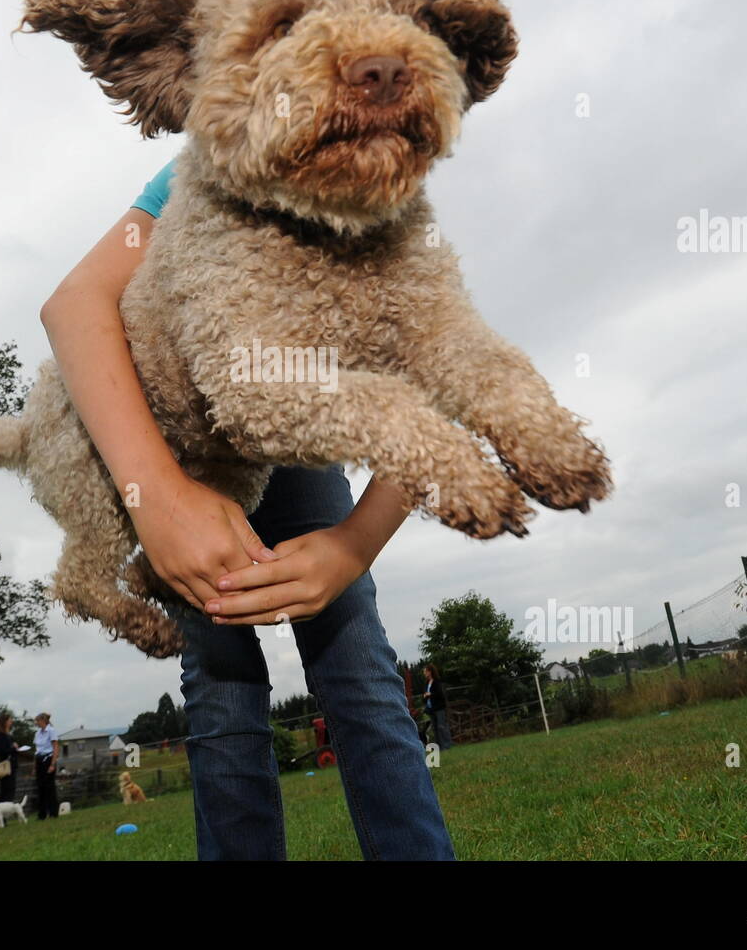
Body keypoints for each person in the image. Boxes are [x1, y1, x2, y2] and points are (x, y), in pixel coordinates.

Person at [39, 157, 455, 860]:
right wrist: (160, 497)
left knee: (354, 660)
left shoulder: (379, 190)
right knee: (223, 679)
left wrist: (353, 546)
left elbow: (439, 377)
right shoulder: (211, 162)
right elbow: (75, 303)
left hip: (296, 444)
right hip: (189, 447)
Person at [32, 712, 60, 819]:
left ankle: (53, 812)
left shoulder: (51, 731)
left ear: (43, 721)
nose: (36, 723)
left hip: (48, 759)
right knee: (40, 787)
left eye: (38, 721)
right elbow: (37, 750)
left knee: (49, 787)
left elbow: (55, 747)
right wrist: (34, 766)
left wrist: (52, 764)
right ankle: (42, 813)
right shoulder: (37, 733)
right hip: (39, 759)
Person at [0, 713, 20, 804]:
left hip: (12, 765)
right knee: (6, 791)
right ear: (4, 722)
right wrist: (13, 748)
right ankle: (1, 816)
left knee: (10, 790)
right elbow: (2, 751)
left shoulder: (8, 735)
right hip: (6, 766)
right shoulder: (0, 736)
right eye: (9, 720)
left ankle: (4, 815)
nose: (11, 721)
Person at [424, 664, 453, 750]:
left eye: (425, 671)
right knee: (435, 728)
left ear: (430, 672)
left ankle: (447, 745)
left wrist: (430, 694)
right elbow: (426, 695)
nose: (424, 673)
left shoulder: (437, 682)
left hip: (439, 708)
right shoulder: (426, 683)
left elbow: (440, 694)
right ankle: (439, 747)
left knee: (441, 726)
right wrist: (425, 696)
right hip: (431, 709)